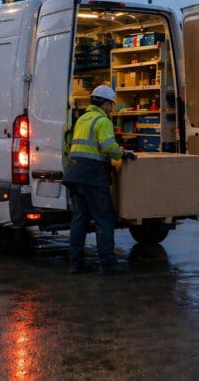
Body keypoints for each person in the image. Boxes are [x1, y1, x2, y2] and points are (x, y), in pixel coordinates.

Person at [63, 84, 130, 274]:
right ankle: (107, 265)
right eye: (111, 104)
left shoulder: (82, 119)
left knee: (79, 220)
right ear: (105, 103)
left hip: (75, 174)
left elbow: (72, 145)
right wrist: (122, 155)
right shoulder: (103, 121)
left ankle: (75, 264)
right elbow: (108, 146)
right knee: (103, 219)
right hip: (93, 176)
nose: (111, 108)